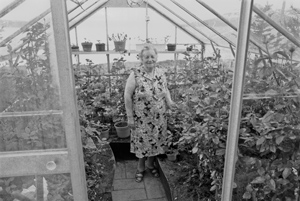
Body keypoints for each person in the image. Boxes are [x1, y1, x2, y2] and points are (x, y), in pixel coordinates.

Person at [124, 44, 176, 182]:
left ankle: (150, 164)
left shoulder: (160, 73)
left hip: (159, 117)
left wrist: (169, 101)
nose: (150, 59)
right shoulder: (135, 74)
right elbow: (127, 95)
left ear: (156, 57)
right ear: (141, 58)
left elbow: (166, 90)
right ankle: (140, 167)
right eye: (146, 57)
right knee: (142, 142)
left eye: (152, 56)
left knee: (156, 141)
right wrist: (129, 117)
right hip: (141, 118)